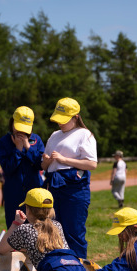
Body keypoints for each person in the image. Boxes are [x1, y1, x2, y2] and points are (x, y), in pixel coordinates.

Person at [41, 98, 97, 259]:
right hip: (53, 186)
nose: (60, 123)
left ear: (76, 117)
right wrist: (47, 161)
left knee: (73, 231)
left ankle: (79, 268)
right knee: (54, 230)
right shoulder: (54, 135)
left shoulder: (84, 134)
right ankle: (59, 266)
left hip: (74, 189)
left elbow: (92, 164)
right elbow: (44, 167)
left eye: (63, 120)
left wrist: (64, 160)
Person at [0, 106, 45, 227]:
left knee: (37, 226)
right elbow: (7, 168)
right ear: (12, 123)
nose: (21, 132)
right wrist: (18, 149)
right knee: (15, 227)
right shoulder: (4, 141)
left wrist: (28, 147)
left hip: (34, 191)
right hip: (14, 193)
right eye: (18, 127)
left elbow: (41, 164)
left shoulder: (36, 140)